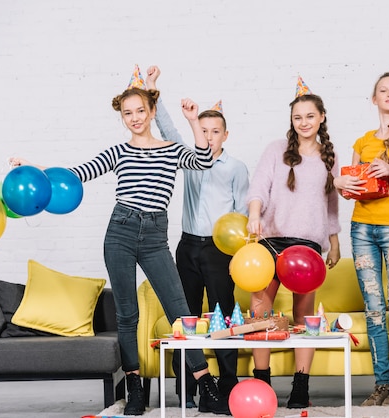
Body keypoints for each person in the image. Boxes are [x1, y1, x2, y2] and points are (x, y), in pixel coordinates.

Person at [9, 69, 230, 416]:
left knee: (181, 312)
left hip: (156, 235)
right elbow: (75, 175)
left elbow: (203, 160)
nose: (135, 118)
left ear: (152, 111)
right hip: (121, 231)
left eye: (140, 110)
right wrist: (32, 168)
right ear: (123, 117)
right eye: (128, 113)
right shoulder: (118, 151)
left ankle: (207, 387)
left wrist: (193, 122)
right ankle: (135, 388)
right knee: (127, 313)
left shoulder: (172, 150)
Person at [146, 66, 249, 408]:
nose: (208, 136)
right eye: (202, 130)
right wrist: (152, 89)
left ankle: (229, 385)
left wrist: (238, 253)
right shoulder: (187, 159)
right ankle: (188, 390)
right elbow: (167, 127)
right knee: (184, 318)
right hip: (188, 246)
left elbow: (243, 215)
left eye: (214, 131)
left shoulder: (236, 169)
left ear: (225, 134)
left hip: (221, 251)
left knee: (224, 316)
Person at [245, 77, 341, 409]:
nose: (303, 123)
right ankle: (262, 381)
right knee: (260, 311)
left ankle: (301, 385)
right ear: (291, 120)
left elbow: (331, 203)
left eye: (310, 116)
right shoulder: (276, 150)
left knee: (304, 316)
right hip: (271, 239)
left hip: (308, 243)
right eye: (297, 117)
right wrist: (254, 214)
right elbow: (258, 187)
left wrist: (334, 239)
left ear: (322, 117)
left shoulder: (330, 157)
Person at [333, 67, 389, 407]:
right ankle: (381, 382)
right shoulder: (362, 142)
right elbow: (351, 192)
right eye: (383, 90)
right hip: (362, 229)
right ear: (374, 99)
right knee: (374, 309)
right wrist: (344, 185)